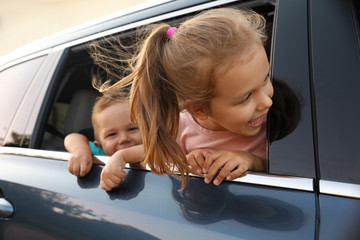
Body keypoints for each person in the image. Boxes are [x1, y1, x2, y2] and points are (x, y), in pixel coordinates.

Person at [91, 8, 273, 190]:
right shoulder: (181, 128)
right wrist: (120, 157)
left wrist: (251, 161)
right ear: (199, 109)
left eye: (265, 79)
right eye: (245, 98)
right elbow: (154, 151)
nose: (267, 102)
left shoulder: (279, 113)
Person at [64, 89, 144, 191]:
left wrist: (122, 156)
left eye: (132, 129)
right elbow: (71, 137)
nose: (123, 139)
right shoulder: (99, 152)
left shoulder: (152, 148)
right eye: (112, 134)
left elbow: (149, 151)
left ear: (147, 132)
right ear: (99, 144)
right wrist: (80, 150)